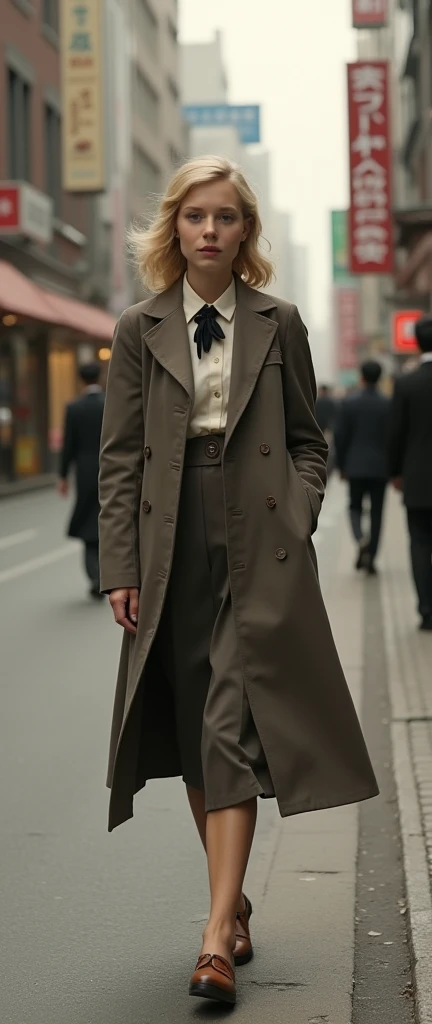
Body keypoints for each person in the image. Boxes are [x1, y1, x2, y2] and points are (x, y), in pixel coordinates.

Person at [98, 156, 378, 1006]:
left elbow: (308, 438)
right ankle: (236, 898)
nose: (209, 230)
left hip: (257, 536)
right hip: (168, 539)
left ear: (245, 230)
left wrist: (298, 510)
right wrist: (119, 565)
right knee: (193, 728)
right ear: (174, 228)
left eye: (225, 216)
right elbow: (118, 459)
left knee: (226, 726)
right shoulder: (137, 328)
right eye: (194, 216)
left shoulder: (279, 320)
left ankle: (216, 937)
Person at [389, 316, 432, 631]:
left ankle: (426, 611)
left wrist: (395, 473)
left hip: (417, 479)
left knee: (419, 542)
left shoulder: (406, 383)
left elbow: (397, 434)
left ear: (416, 342)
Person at [334, 361, 390, 575]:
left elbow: (340, 436)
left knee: (354, 507)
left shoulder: (350, 403)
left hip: (355, 466)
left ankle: (360, 539)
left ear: (362, 377)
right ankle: (372, 558)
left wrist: (341, 465)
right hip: (380, 468)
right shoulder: (387, 403)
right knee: (377, 513)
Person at [58, 362, 105, 599]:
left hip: (85, 472)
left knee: (88, 521)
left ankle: (95, 575)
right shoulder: (110, 404)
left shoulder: (74, 408)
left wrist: (62, 476)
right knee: (111, 518)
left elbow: (68, 445)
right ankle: (105, 575)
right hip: (110, 467)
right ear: (101, 375)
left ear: (80, 380)